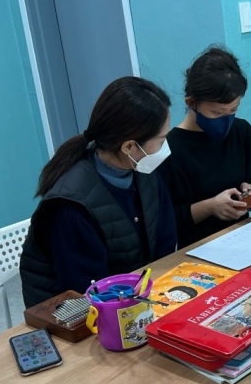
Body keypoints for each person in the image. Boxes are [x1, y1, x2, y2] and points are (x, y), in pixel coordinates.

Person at [20, 77, 177, 307]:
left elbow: (165, 241)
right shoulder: (70, 207)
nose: (164, 146)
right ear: (129, 146)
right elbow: (88, 292)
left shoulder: (141, 168)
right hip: (81, 313)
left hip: (137, 296)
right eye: (161, 139)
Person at [158, 46, 251, 248]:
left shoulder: (241, 131)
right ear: (191, 102)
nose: (226, 119)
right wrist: (210, 207)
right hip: (197, 251)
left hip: (246, 240)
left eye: (233, 110)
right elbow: (164, 219)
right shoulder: (169, 150)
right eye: (217, 112)